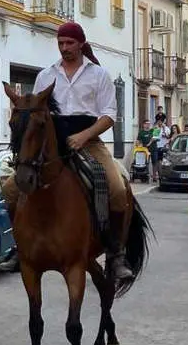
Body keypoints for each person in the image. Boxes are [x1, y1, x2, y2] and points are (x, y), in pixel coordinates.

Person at [21, 21, 134, 284]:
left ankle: (116, 254)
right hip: (51, 141)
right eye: (60, 43)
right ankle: (22, 245)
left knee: (117, 189)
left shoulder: (99, 75)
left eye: (69, 43)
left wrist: (84, 136)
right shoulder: (45, 75)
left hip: (90, 139)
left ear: (81, 43)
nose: (64, 48)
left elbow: (108, 116)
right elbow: (36, 110)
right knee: (13, 186)